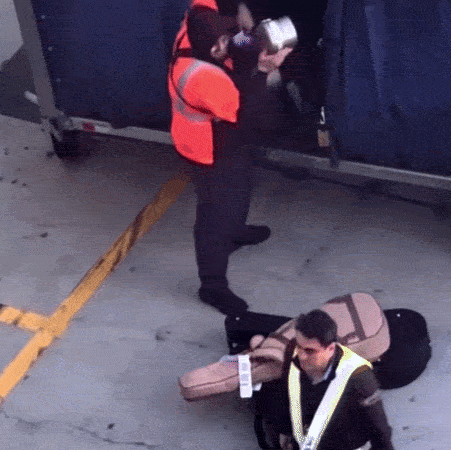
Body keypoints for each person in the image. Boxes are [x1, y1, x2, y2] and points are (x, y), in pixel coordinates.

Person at [168, 2, 292, 315]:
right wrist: (265, 70)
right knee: (214, 215)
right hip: (210, 147)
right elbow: (249, 117)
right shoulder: (203, 79)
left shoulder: (194, 25)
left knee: (240, 186)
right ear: (210, 48)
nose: (229, 43)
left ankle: (235, 231)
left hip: (224, 138)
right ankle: (212, 286)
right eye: (223, 42)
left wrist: (241, 14)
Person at [265, 309, 395, 450]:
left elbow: (380, 431)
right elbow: (286, 391)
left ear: (331, 348)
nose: (301, 355)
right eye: (299, 346)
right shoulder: (293, 349)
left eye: (310, 351)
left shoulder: (360, 379)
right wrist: (284, 430)